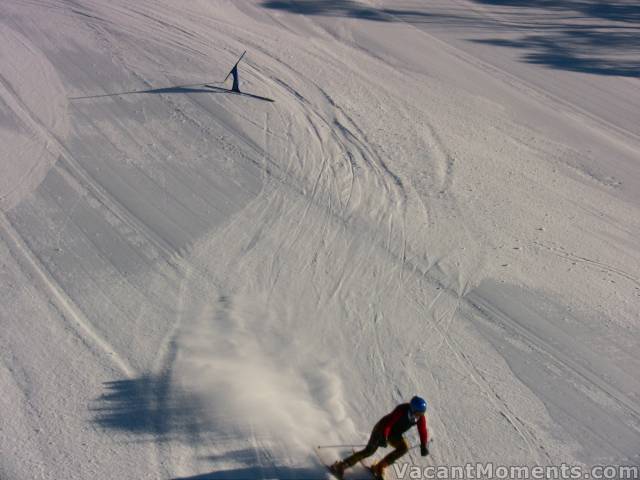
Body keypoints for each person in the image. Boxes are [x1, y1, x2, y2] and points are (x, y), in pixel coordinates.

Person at [331, 396, 430, 480]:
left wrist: (424, 445)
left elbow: (422, 430)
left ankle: (379, 467)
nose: (420, 415)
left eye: (422, 413)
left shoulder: (420, 418)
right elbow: (389, 423)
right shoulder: (401, 410)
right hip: (381, 429)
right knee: (369, 451)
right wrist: (384, 436)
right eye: (419, 413)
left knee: (404, 448)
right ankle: (341, 465)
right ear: (413, 409)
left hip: (395, 434)